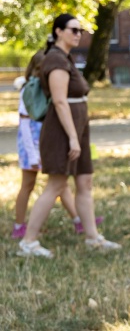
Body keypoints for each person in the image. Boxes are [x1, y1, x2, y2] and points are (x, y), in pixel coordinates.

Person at [18, 14, 120, 258]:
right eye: (73, 30)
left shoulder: (65, 57)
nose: (78, 34)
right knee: (56, 184)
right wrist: (73, 138)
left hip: (78, 128)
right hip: (63, 131)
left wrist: (79, 135)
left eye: (80, 30)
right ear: (58, 32)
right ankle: (28, 242)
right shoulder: (55, 59)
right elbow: (61, 102)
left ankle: (92, 237)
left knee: (84, 182)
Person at [12, 50, 103, 239]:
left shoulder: (52, 88)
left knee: (60, 184)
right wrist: (32, 154)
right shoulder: (29, 90)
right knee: (29, 184)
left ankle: (79, 220)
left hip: (48, 142)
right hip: (31, 146)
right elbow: (26, 125)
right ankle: (19, 225)